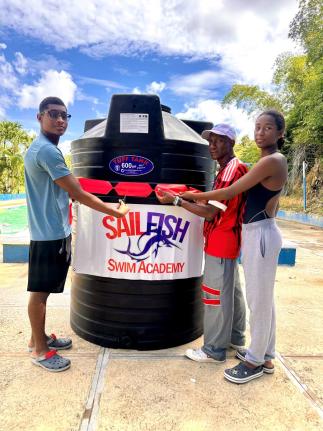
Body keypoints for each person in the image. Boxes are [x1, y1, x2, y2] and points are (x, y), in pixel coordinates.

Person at [180, 110, 288, 384]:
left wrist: (189, 196)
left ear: (280, 133)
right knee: (260, 299)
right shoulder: (264, 161)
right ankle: (265, 354)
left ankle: (254, 361)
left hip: (260, 234)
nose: (260, 132)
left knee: (258, 302)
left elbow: (228, 194)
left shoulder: (272, 161)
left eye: (267, 128)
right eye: (258, 127)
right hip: (255, 233)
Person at [24, 96, 129, 372]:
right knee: (40, 293)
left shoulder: (45, 149)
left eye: (64, 116)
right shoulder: (46, 150)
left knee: (43, 291)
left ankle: (40, 337)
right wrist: (114, 211)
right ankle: (39, 350)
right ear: (40, 117)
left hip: (51, 231)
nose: (60, 120)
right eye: (53, 114)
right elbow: (78, 192)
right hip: (48, 234)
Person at [156, 124, 248, 364]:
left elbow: (209, 212)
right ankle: (235, 338)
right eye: (210, 141)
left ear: (232, 143)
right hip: (229, 240)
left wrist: (177, 200)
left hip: (221, 240)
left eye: (219, 141)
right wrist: (188, 193)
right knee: (232, 292)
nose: (212, 146)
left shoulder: (230, 171)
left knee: (215, 295)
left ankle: (214, 350)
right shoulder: (229, 169)